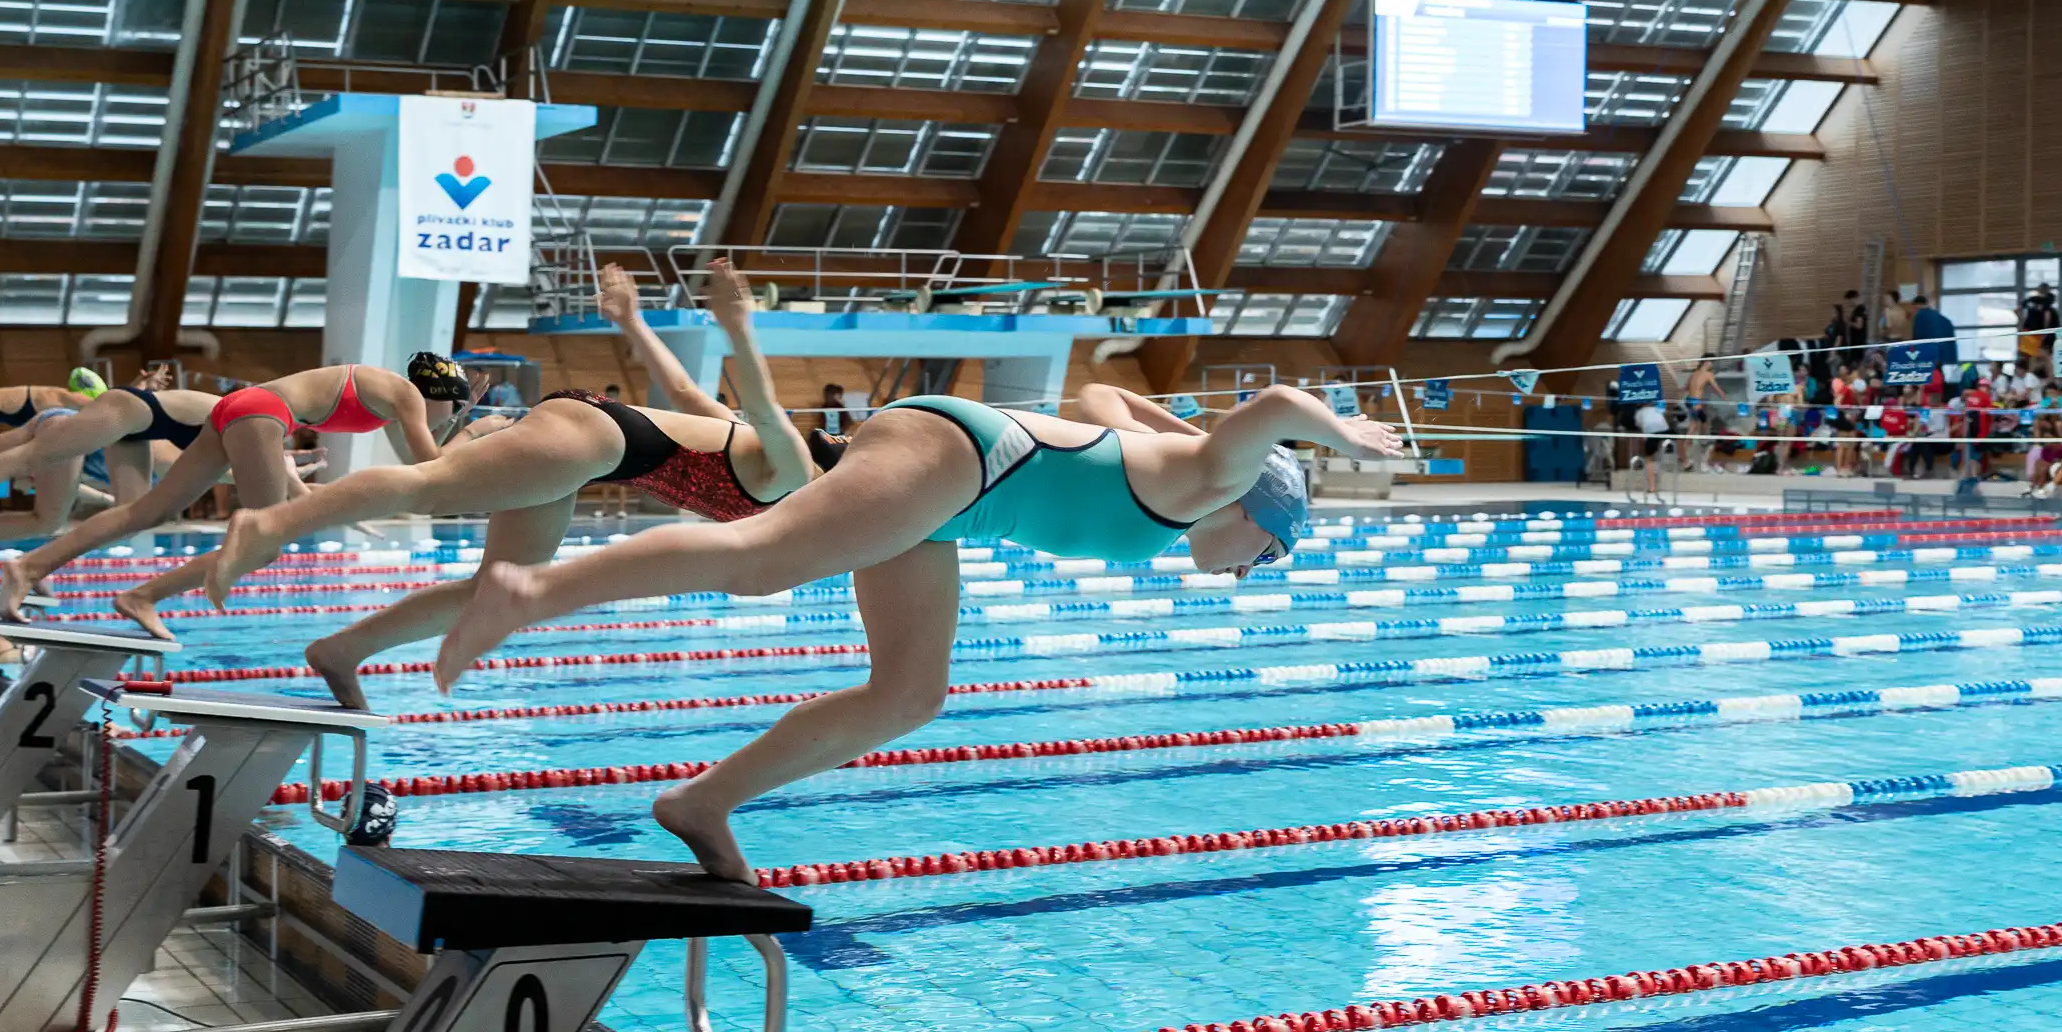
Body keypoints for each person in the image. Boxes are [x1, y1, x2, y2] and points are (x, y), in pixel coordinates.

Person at [429, 382, 1402, 881]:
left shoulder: (1184, 464)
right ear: (1258, 511)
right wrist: (1340, 433)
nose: (1252, 569)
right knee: (765, 558)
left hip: (952, 502)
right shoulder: (1218, 476)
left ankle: (701, 802)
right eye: (1268, 554)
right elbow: (1272, 408)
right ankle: (528, 590)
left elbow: (1105, 398)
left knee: (908, 692)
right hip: (950, 456)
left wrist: (1185, 421)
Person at [205, 259, 821, 689]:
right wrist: (738, 327)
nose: (842, 434)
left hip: (589, 450)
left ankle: (342, 650)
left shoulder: (787, 474)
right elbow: (764, 405)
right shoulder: (790, 466)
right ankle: (268, 523)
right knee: (426, 488)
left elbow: (685, 388)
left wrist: (630, 321)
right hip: (594, 442)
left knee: (494, 585)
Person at [0, 356, 463, 637]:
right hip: (261, 415)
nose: (448, 417)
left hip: (241, 409)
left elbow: (418, 459)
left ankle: (29, 566)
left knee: (146, 511)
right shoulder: (409, 397)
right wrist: (473, 427)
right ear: (441, 394)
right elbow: (435, 465)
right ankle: (142, 595)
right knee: (262, 544)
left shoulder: (394, 394)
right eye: (455, 408)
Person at [0, 370, 219, 562]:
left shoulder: (135, 434)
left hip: (54, 426)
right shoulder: (156, 446)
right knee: (4, 467)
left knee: (39, 513)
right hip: (57, 425)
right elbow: (113, 403)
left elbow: (119, 405)